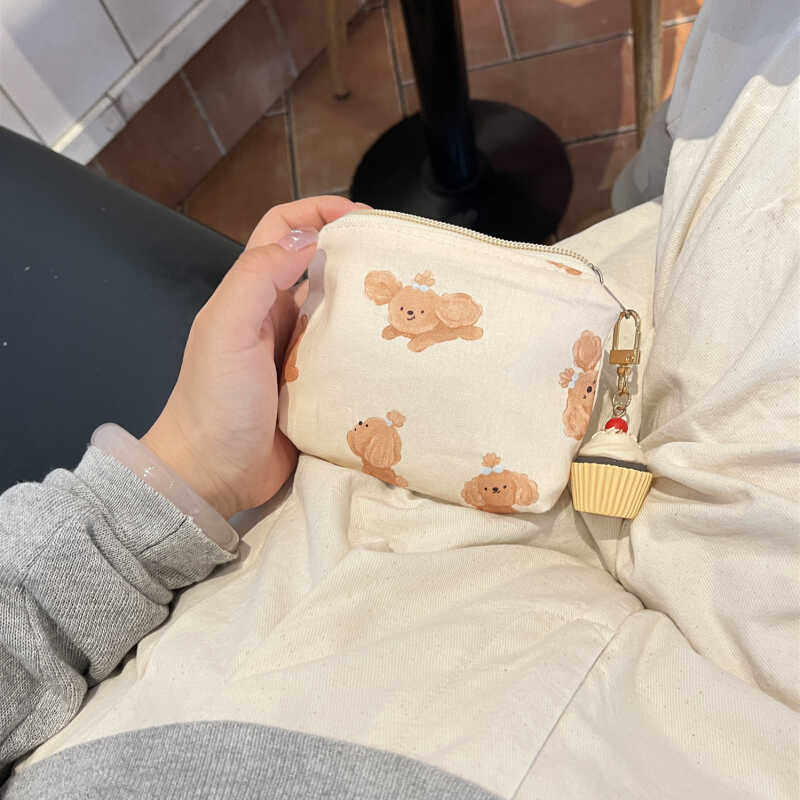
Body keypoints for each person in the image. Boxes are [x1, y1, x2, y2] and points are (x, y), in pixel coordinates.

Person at [1, 1, 798, 797]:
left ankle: (641, 195)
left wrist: (191, 464)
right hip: (712, 671)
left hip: (262, 550)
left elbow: (19, 633)